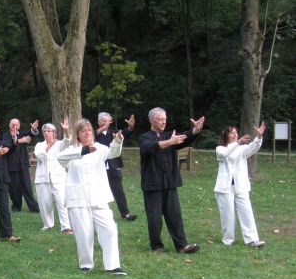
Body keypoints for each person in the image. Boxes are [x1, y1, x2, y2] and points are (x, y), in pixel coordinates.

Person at [58, 119, 127, 275]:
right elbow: (60, 158)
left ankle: (112, 265)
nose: (87, 133)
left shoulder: (101, 148)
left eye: (89, 130)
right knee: (84, 234)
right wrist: (83, 151)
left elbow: (114, 152)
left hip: (99, 197)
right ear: (78, 134)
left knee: (110, 229)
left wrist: (117, 140)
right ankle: (86, 264)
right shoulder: (71, 150)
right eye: (83, 131)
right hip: (78, 199)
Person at [139, 107, 204, 254]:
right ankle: (156, 246)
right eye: (160, 119)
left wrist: (195, 130)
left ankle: (182, 246)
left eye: (165, 119)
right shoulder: (145, 137)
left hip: (169, 182)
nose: (163, 122)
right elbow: (149, 147)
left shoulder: (170, 135)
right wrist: (170, 142)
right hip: (152, 184)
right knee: (154, 218)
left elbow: (185, 137)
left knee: (175, 215)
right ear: (151, 120)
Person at [214, 122, 266, 247]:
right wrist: (237, 143)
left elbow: (253, 147)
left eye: (236, 133)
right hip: (224, 188)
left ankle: (252, 240)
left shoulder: (242, 149)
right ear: (226, 135)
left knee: (247, 212)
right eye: (231, 133)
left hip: (241, 186)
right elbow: (224, 154)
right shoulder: (220, 148)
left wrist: (259, 137)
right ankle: (228, 240)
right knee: (228, 215)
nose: (234, 134)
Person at [96, 112, 138, 221]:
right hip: (98, 168)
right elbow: (91, 137)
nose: (106, 123)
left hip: (113, 167)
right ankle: (102, 215)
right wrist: (102, 128)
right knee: (100, 192)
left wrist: (131, 126)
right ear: (99, 121)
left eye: (108, 121)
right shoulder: (93, 134)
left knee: (118, 191)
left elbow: (125, 133)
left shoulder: (113, 132)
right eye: (103, 121)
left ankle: (126, 213)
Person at [34, 119, 73, 234]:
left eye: (49, 131)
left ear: (54, 133)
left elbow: (67, 142)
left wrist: (66, 130)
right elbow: (39, 156)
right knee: (45, 203)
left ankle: (66, 226)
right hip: (43, 178)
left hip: (58, 177)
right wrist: (49, 145)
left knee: (62, 201)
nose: (46, 133)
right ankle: (48, 224)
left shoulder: (59, 144)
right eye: (44, 131)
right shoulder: (39, 145)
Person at [2, 118, 40, 212]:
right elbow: (7, 145)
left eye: (16, 124)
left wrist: (33, 129)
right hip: (11, 166)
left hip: (23, 165)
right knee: (14, 189)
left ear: (19, 126)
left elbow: (31, 134)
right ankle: (16, 206)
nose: (15, 126)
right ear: (9, 125)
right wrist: (21, 141)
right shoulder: (6, 136)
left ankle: (33, 207)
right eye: (13, 124)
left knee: (27, 187)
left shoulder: (22, 134)